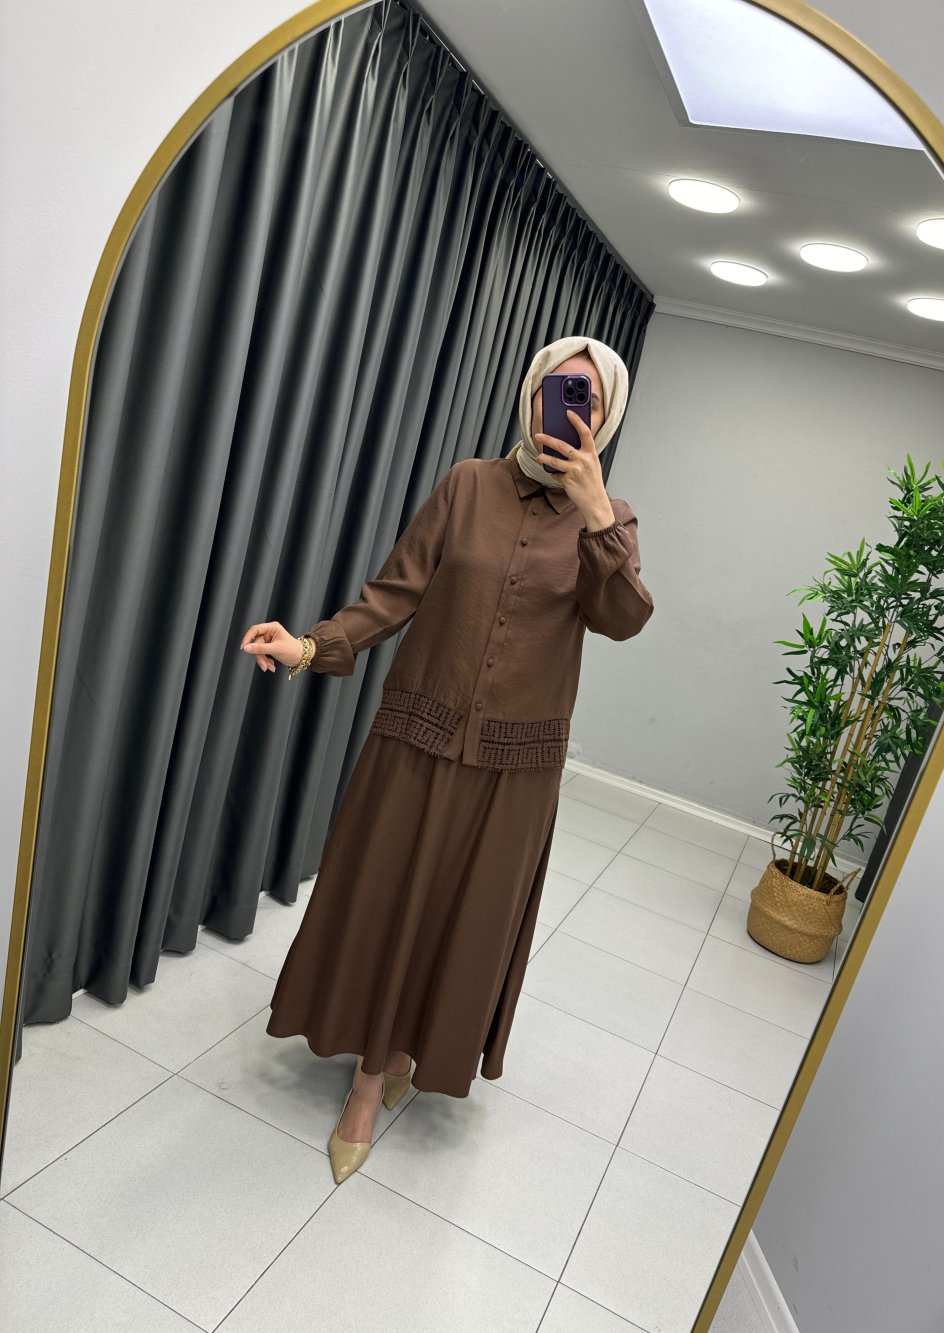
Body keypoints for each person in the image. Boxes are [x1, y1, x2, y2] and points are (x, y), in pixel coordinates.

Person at [240, 335, 654, 1183]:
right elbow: (394, 593)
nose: (566, 411)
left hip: (514, 768)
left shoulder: (611, 522)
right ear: (530, 394)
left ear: (607, 416)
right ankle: (366, 1079)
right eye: (554, 390)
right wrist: (308, 646)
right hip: (418, 737)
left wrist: (597, 512)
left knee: (462, 914)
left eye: (586, 398)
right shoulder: (467, 484)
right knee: (386, 894)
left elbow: (623, 618)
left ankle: (403, 1055)